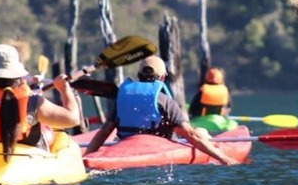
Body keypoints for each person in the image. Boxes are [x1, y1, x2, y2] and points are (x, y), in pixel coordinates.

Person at [82, 55, 239, 165]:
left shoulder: (123, 97)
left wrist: (87, 157)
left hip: (125, 145)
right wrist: (223, 158)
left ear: (138, 75)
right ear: (163, 77)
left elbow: (103, 132)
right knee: (202, 132)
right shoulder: (166, 101)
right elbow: (191, 135)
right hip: (158, 148)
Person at [0, 43, 90, 160]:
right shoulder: (33, 102)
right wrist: (64, 89)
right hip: (27, 161)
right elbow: (73, 119)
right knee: (56, 135)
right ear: (18, 74)